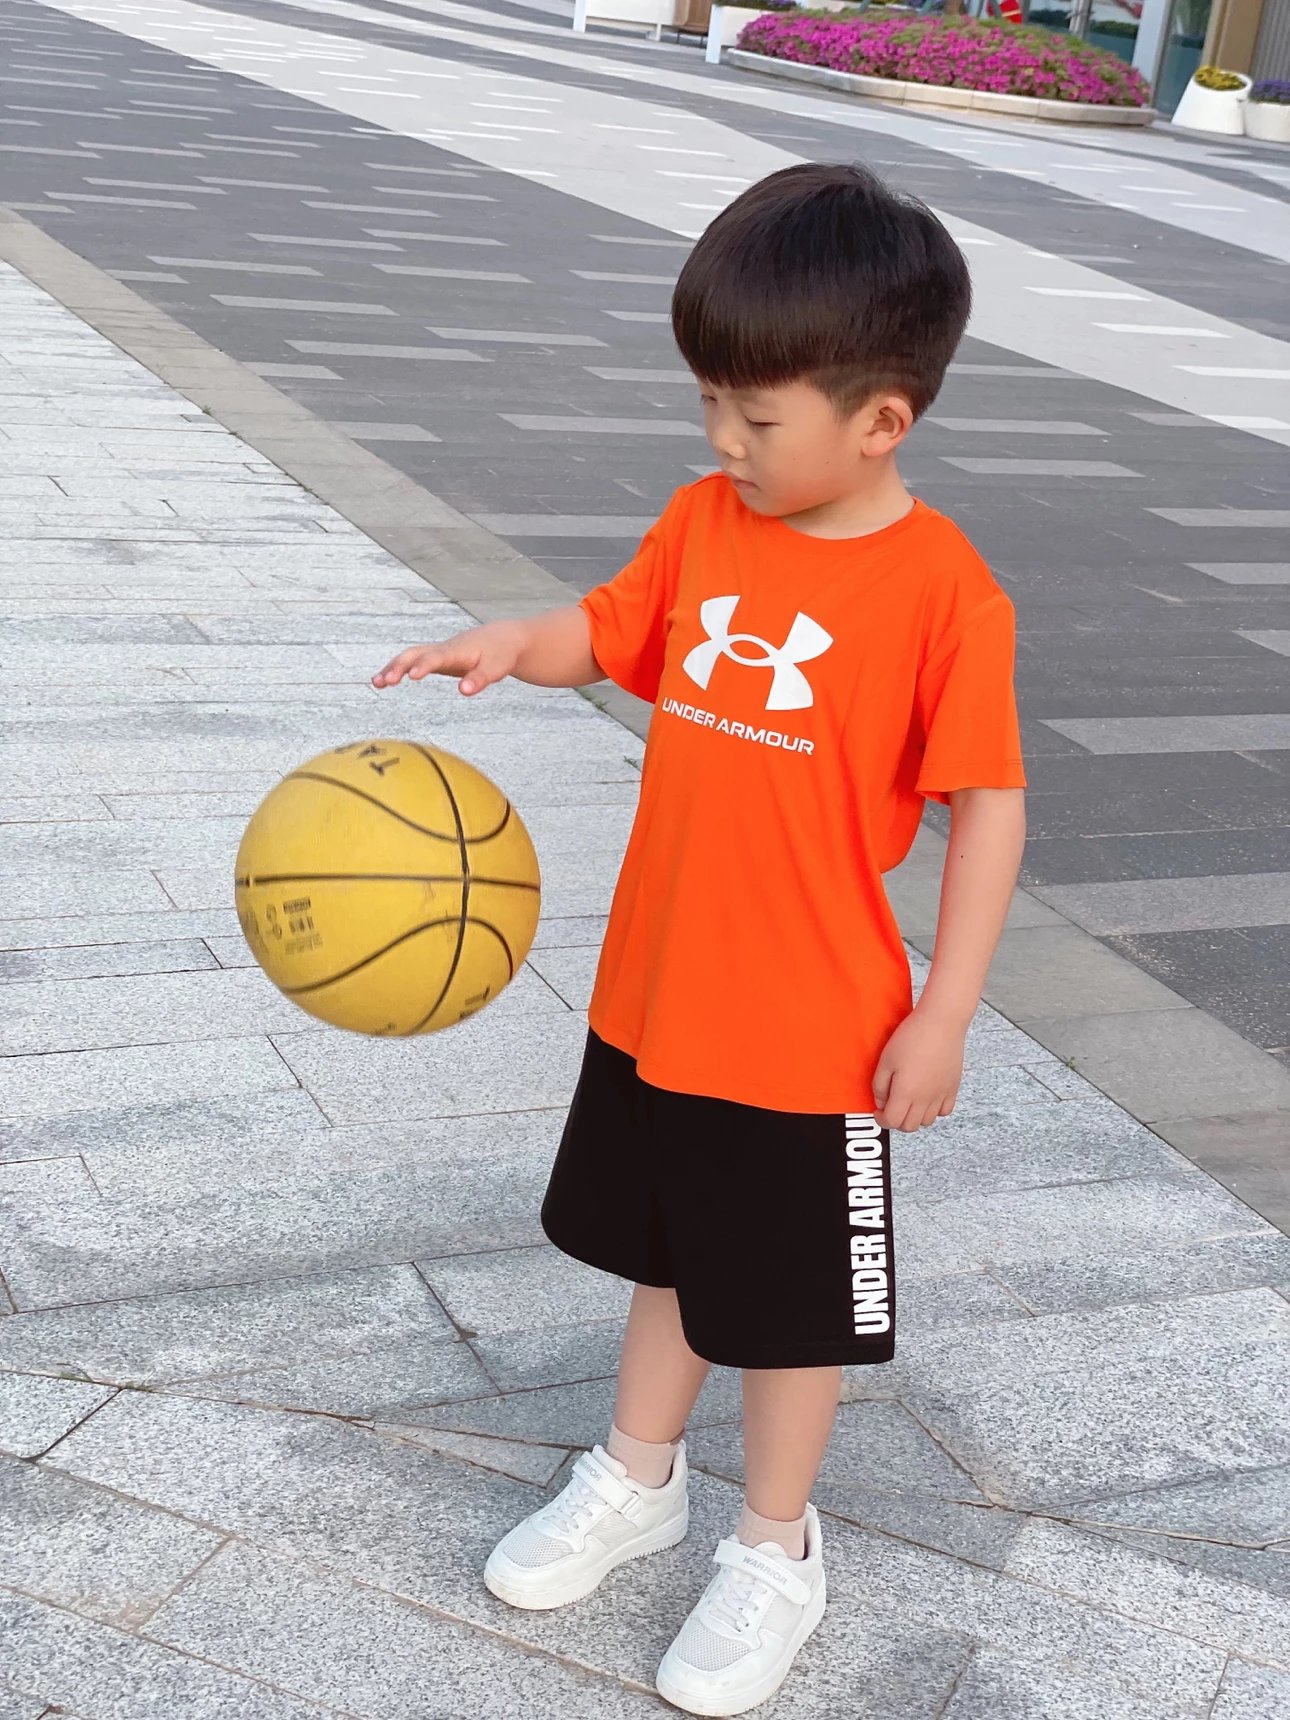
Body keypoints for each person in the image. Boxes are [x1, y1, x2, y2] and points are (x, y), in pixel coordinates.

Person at [374, 162, 1027, 1718]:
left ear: (881, 421)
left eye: (755, 416)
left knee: (785, 1315)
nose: (722, 442)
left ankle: (774, 1546)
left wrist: (943, 1011)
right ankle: (635, 1476)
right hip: (659, 999)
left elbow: (988, 810)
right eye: (709, 406)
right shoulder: (703, 522)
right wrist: (513, 642)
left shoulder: (944, 597)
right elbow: (610, 630)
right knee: (669, 1260)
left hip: (810, 1033)